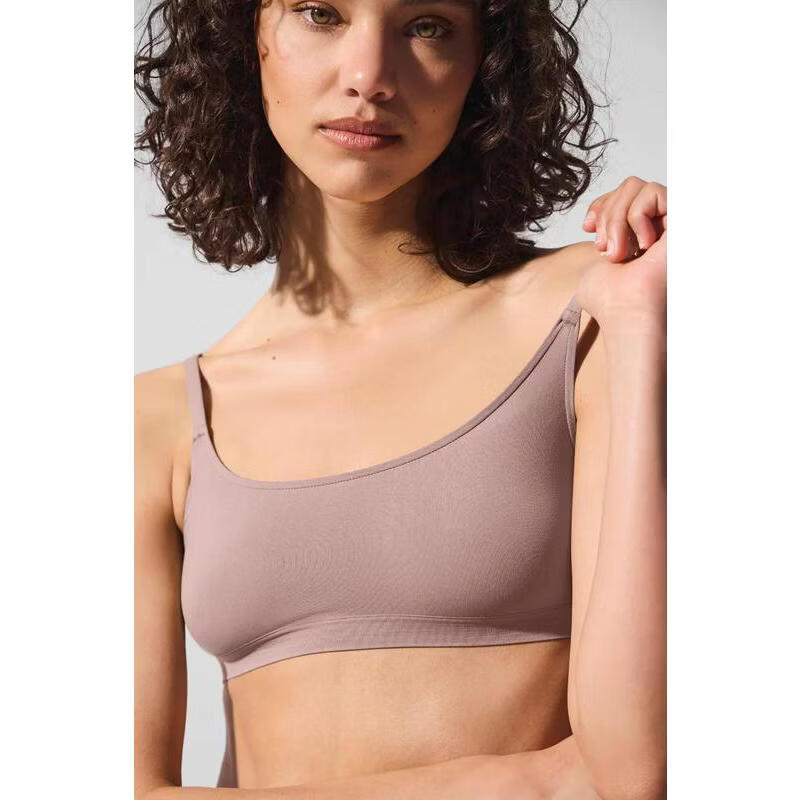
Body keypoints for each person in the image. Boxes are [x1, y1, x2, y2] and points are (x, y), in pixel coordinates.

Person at [134, 0, 666, 797]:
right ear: (242, 38)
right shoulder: (159, 420)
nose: (369, 77)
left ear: (487, 63)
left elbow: (632, 770)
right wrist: (544, 781)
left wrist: (643, 322)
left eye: (426, 26)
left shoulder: (600, 313)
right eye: (321, 13)